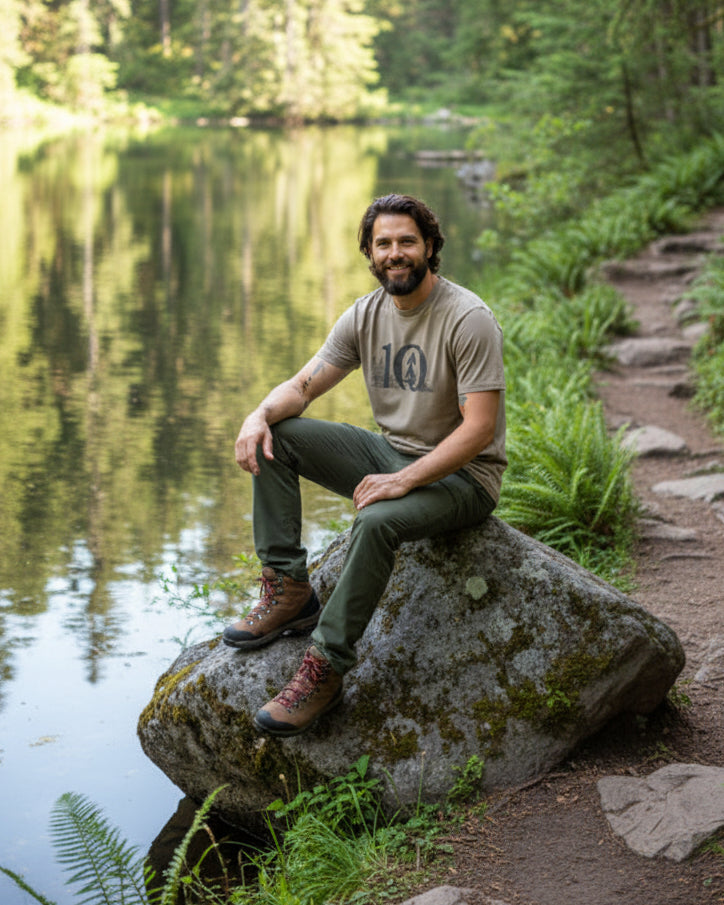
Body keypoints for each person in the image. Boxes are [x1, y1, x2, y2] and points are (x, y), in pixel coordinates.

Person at [223, 193, 506, 737]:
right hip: (393, 453)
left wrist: (403, 480)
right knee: (278, 436)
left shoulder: (468, 319)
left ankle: (325, 668)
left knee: (375, 521)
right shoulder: (366, 314)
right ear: (370, 253)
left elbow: (479, 430)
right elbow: (303, 387)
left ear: (430, 247)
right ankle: (289, 591)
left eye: (407, 241)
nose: (395, 253)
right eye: (384, 243)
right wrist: (257, 415)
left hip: (465, 479)